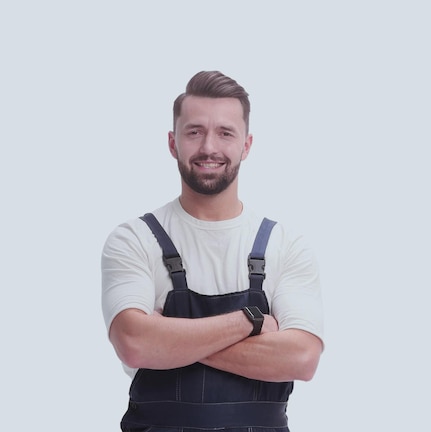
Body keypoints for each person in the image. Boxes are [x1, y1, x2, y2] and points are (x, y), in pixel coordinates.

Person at [101, 70, 324, 432]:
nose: (208, 147)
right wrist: (249, 322)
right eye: (195, 132)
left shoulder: (286, 245)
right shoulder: (134, 239)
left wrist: (168, 341)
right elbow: (133, 344)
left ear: (246, 145)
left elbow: (302, 358)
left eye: (225, 133)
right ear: (173, 143)